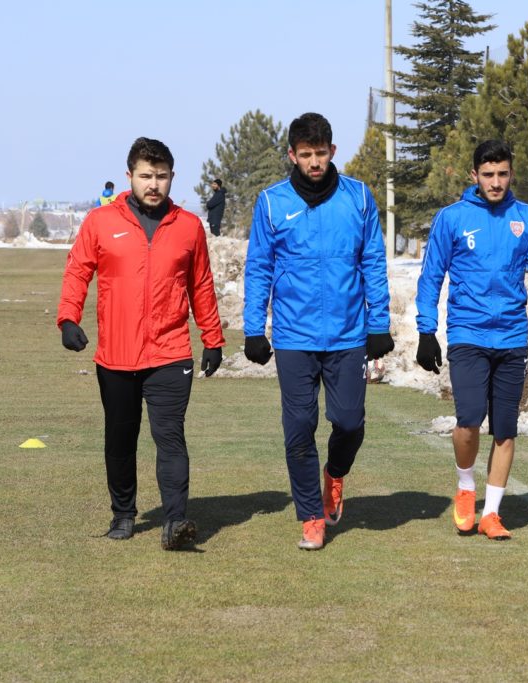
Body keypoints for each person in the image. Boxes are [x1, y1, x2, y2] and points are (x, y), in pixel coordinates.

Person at [58, 137, 224, 551]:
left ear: (172, 178)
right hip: (116, 353)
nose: (154, 184)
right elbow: (78, 271)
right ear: (129, 175)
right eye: (146, 176)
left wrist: (212, 338)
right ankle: (123, 513)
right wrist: (68, 318)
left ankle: (175, 521)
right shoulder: (100, 222)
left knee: (170, 436)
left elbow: (201, 285)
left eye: (161, 176)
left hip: (170, 351)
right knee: (120, 438)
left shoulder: (188, 227)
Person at [243, 112, 394, 550]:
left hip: (349, 334)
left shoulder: (358, 197)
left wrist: (379, 323)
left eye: (321, 153)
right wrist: (254, 329)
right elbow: (259, 267)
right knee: (298, 427)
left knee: (349, 422)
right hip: (294, 336)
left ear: (332, 152)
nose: (314, 162)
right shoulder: (272, 202)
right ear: (292, 154)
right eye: (306, 154)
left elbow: (373, 262)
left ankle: (335, 474)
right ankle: (311, 516)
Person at [414, 139, 528, 541]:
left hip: (511, 336)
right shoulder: (452, 218)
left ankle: (491, 514)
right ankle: (465, 485)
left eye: (503, 174)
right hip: (468, 333)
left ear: (511, 174)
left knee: (506, 430)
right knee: (469, 421)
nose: (496, 182)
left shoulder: (527, 218)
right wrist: (426, 330)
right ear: (474, 175)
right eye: (488, 174)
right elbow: (431, 276)